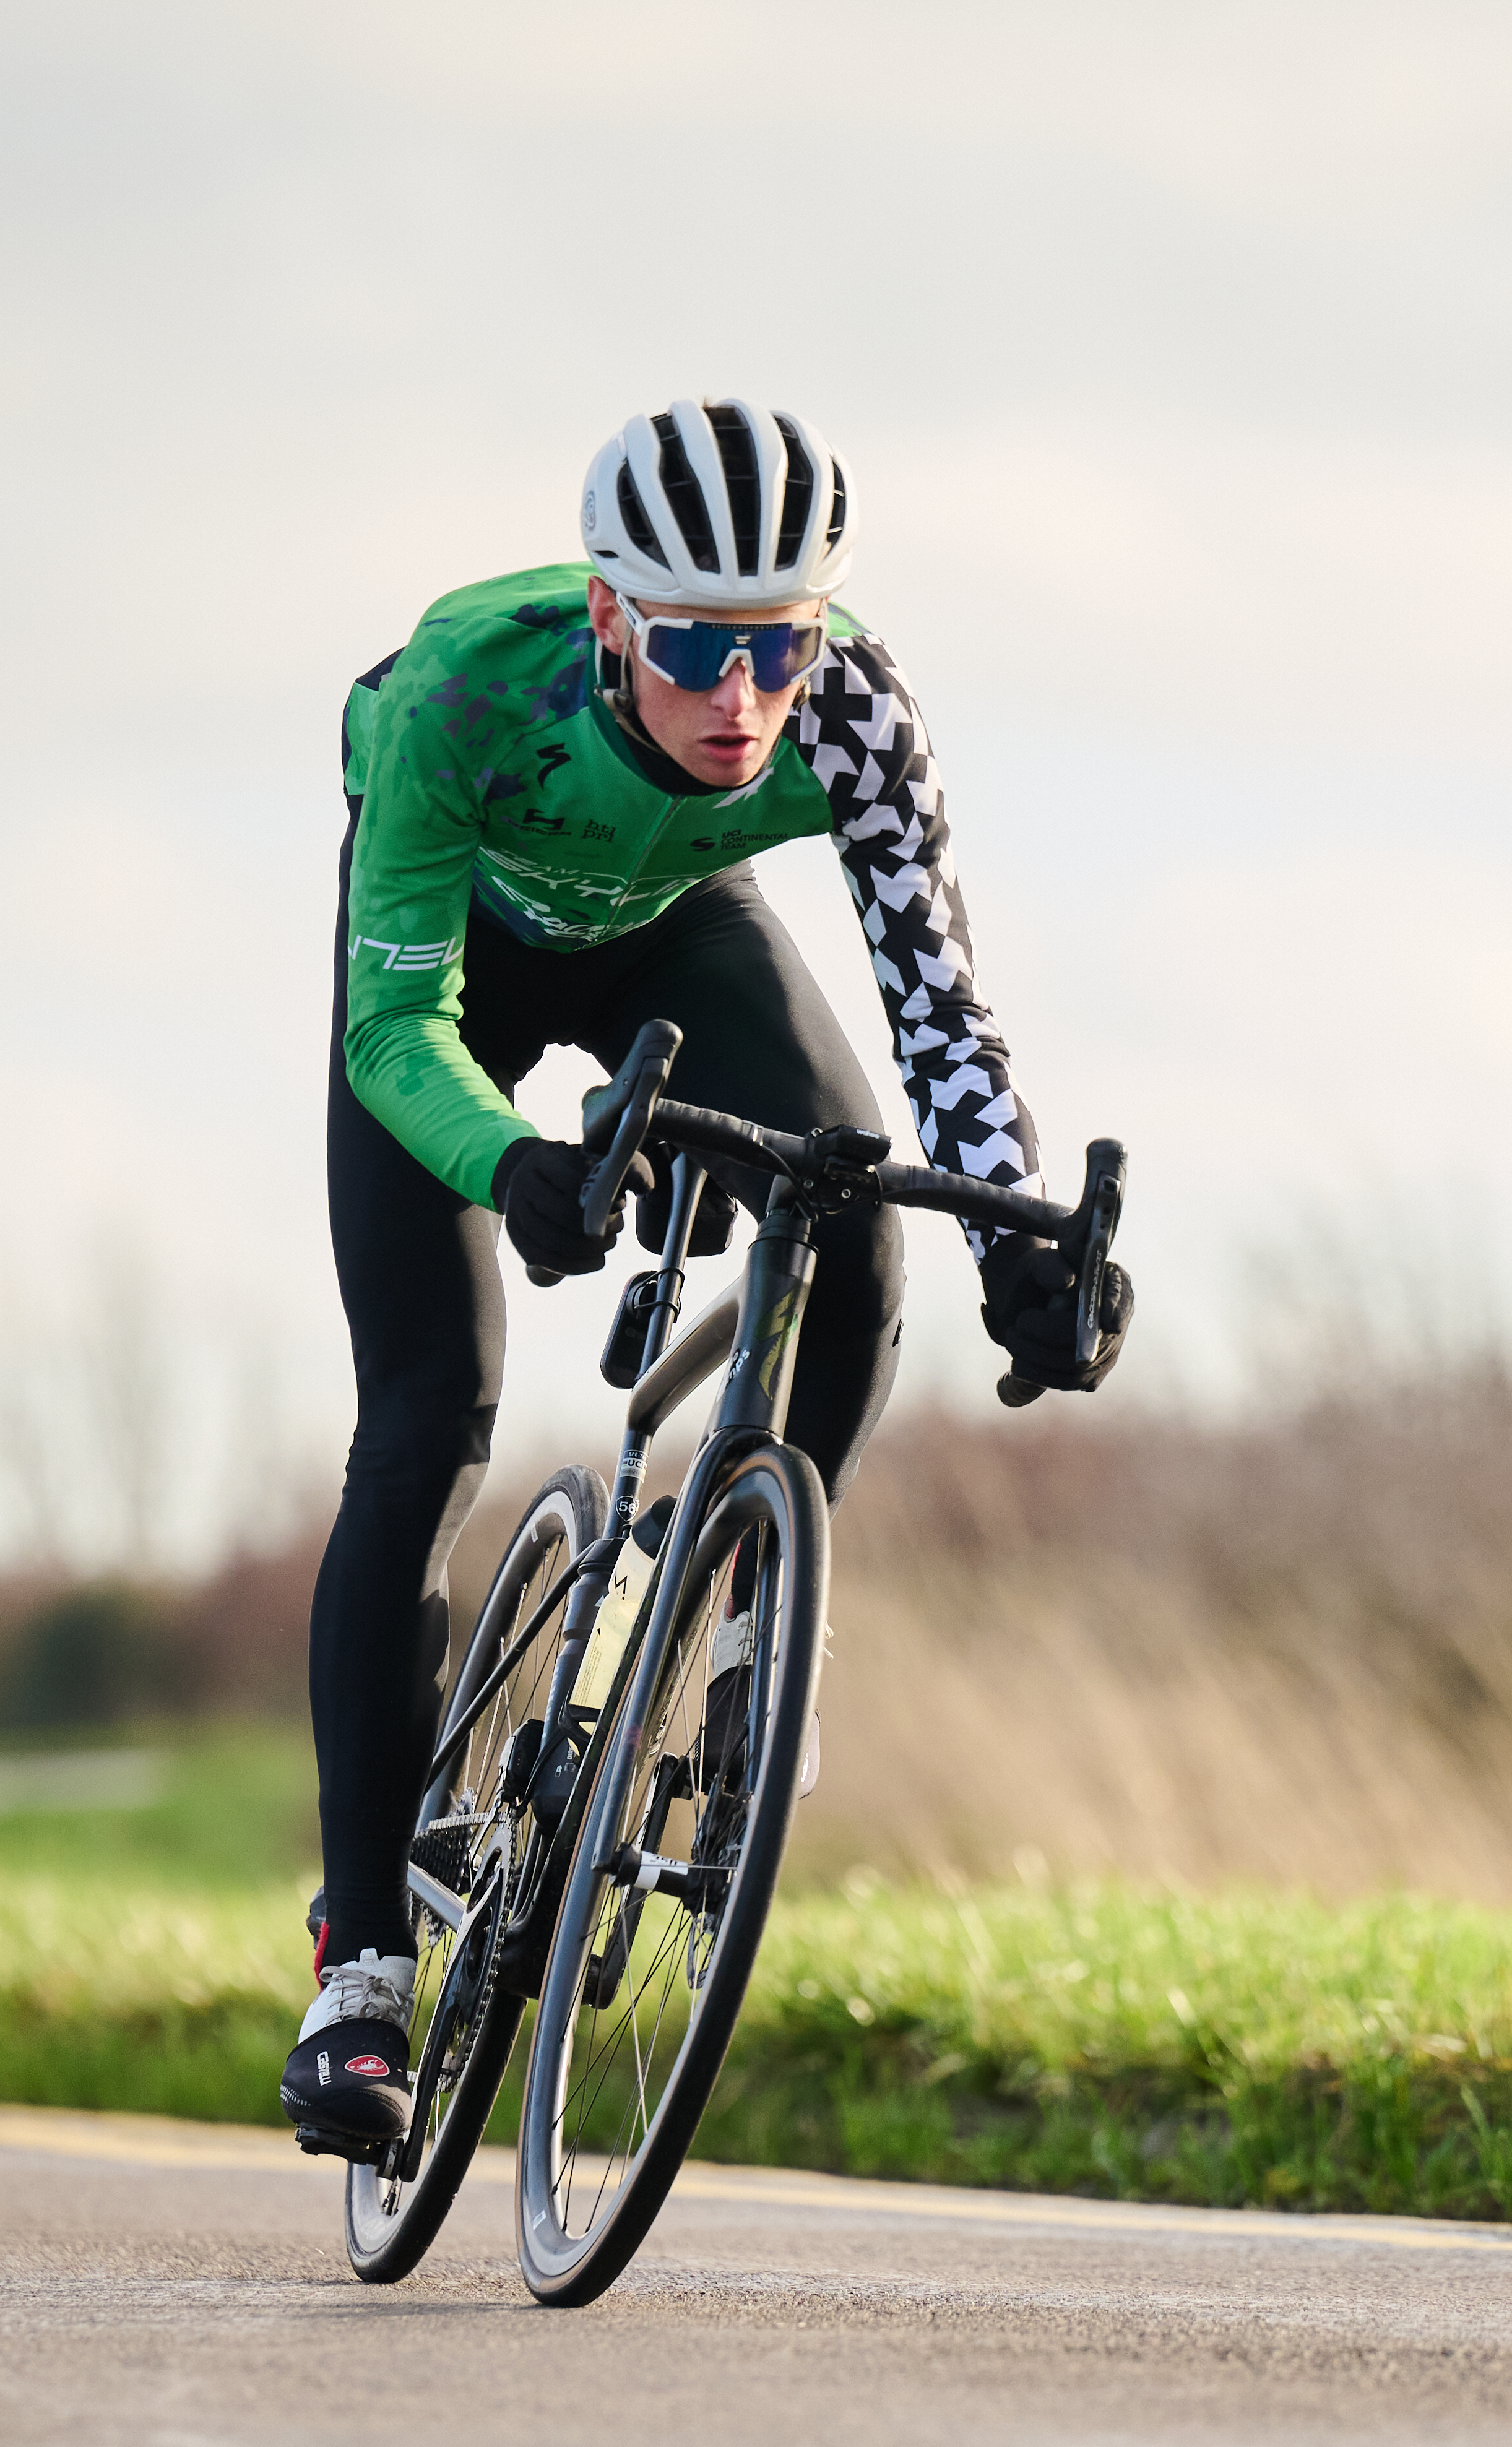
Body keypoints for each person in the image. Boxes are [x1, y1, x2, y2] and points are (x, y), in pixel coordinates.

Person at [285, 397, 1134, 2146]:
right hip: (461, 962)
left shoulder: (858, 706)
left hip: (673, 928)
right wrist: (515, 1165)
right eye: (694, 648)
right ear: (612, 619)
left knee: (854, 1212)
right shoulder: (466, 689)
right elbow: (392, 1028)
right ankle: (360, 1964)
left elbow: (938, 1008)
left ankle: (757, 1608)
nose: (741, 694)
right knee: (427, 1418)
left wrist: (1018, 1242)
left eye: (776, 644)